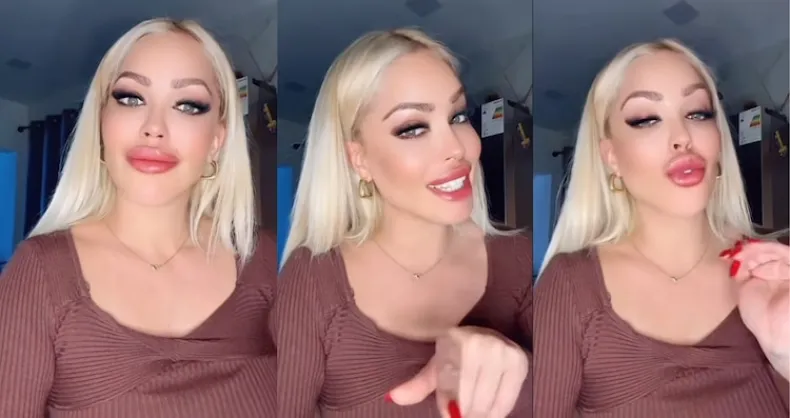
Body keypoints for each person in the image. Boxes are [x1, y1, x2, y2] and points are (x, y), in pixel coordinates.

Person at [0, 18, 277, 417]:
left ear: (216, 141)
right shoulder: (39, 274)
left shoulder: (266, 260)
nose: (154, 128)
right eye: (131, 98)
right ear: (101, 122)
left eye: (188, 105)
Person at [273, 28, 533, 418]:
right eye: (413, 128)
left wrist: (523, 366)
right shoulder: (312, 279)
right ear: (359, 159)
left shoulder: (519, 258)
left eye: (458, 116)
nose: (458, 148)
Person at [533, 38, 789, 417]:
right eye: (646, 119)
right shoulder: (571, 286)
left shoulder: (777, 271)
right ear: (612, 157)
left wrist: (783, 353)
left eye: (698, 113)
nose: (682, 137)